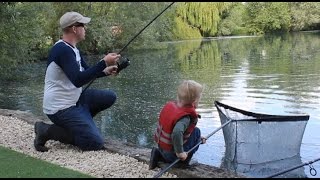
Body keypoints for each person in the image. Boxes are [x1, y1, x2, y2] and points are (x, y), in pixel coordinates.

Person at [34, 11, 121, 152]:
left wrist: (106, 70)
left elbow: (86, 72)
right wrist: (103, 62)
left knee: (110, 96)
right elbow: (78, 80)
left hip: (74, 100)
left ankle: (81, 123)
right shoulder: (62, 50)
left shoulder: (73, 49)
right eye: (83, 26)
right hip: (60, 108)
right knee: (94, 143)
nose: (85, 29)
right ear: (75, 28)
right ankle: (46, 130)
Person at [149, 80, 207, 170]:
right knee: (197, 131)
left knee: (195, 133)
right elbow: (176, 132)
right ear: (195, 101)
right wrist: (180, 153)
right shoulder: (185, 117)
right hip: (172, 155)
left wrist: (198, 139)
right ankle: (182, 162)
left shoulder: (171, 107)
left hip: (161, 148)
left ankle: (159, 155)